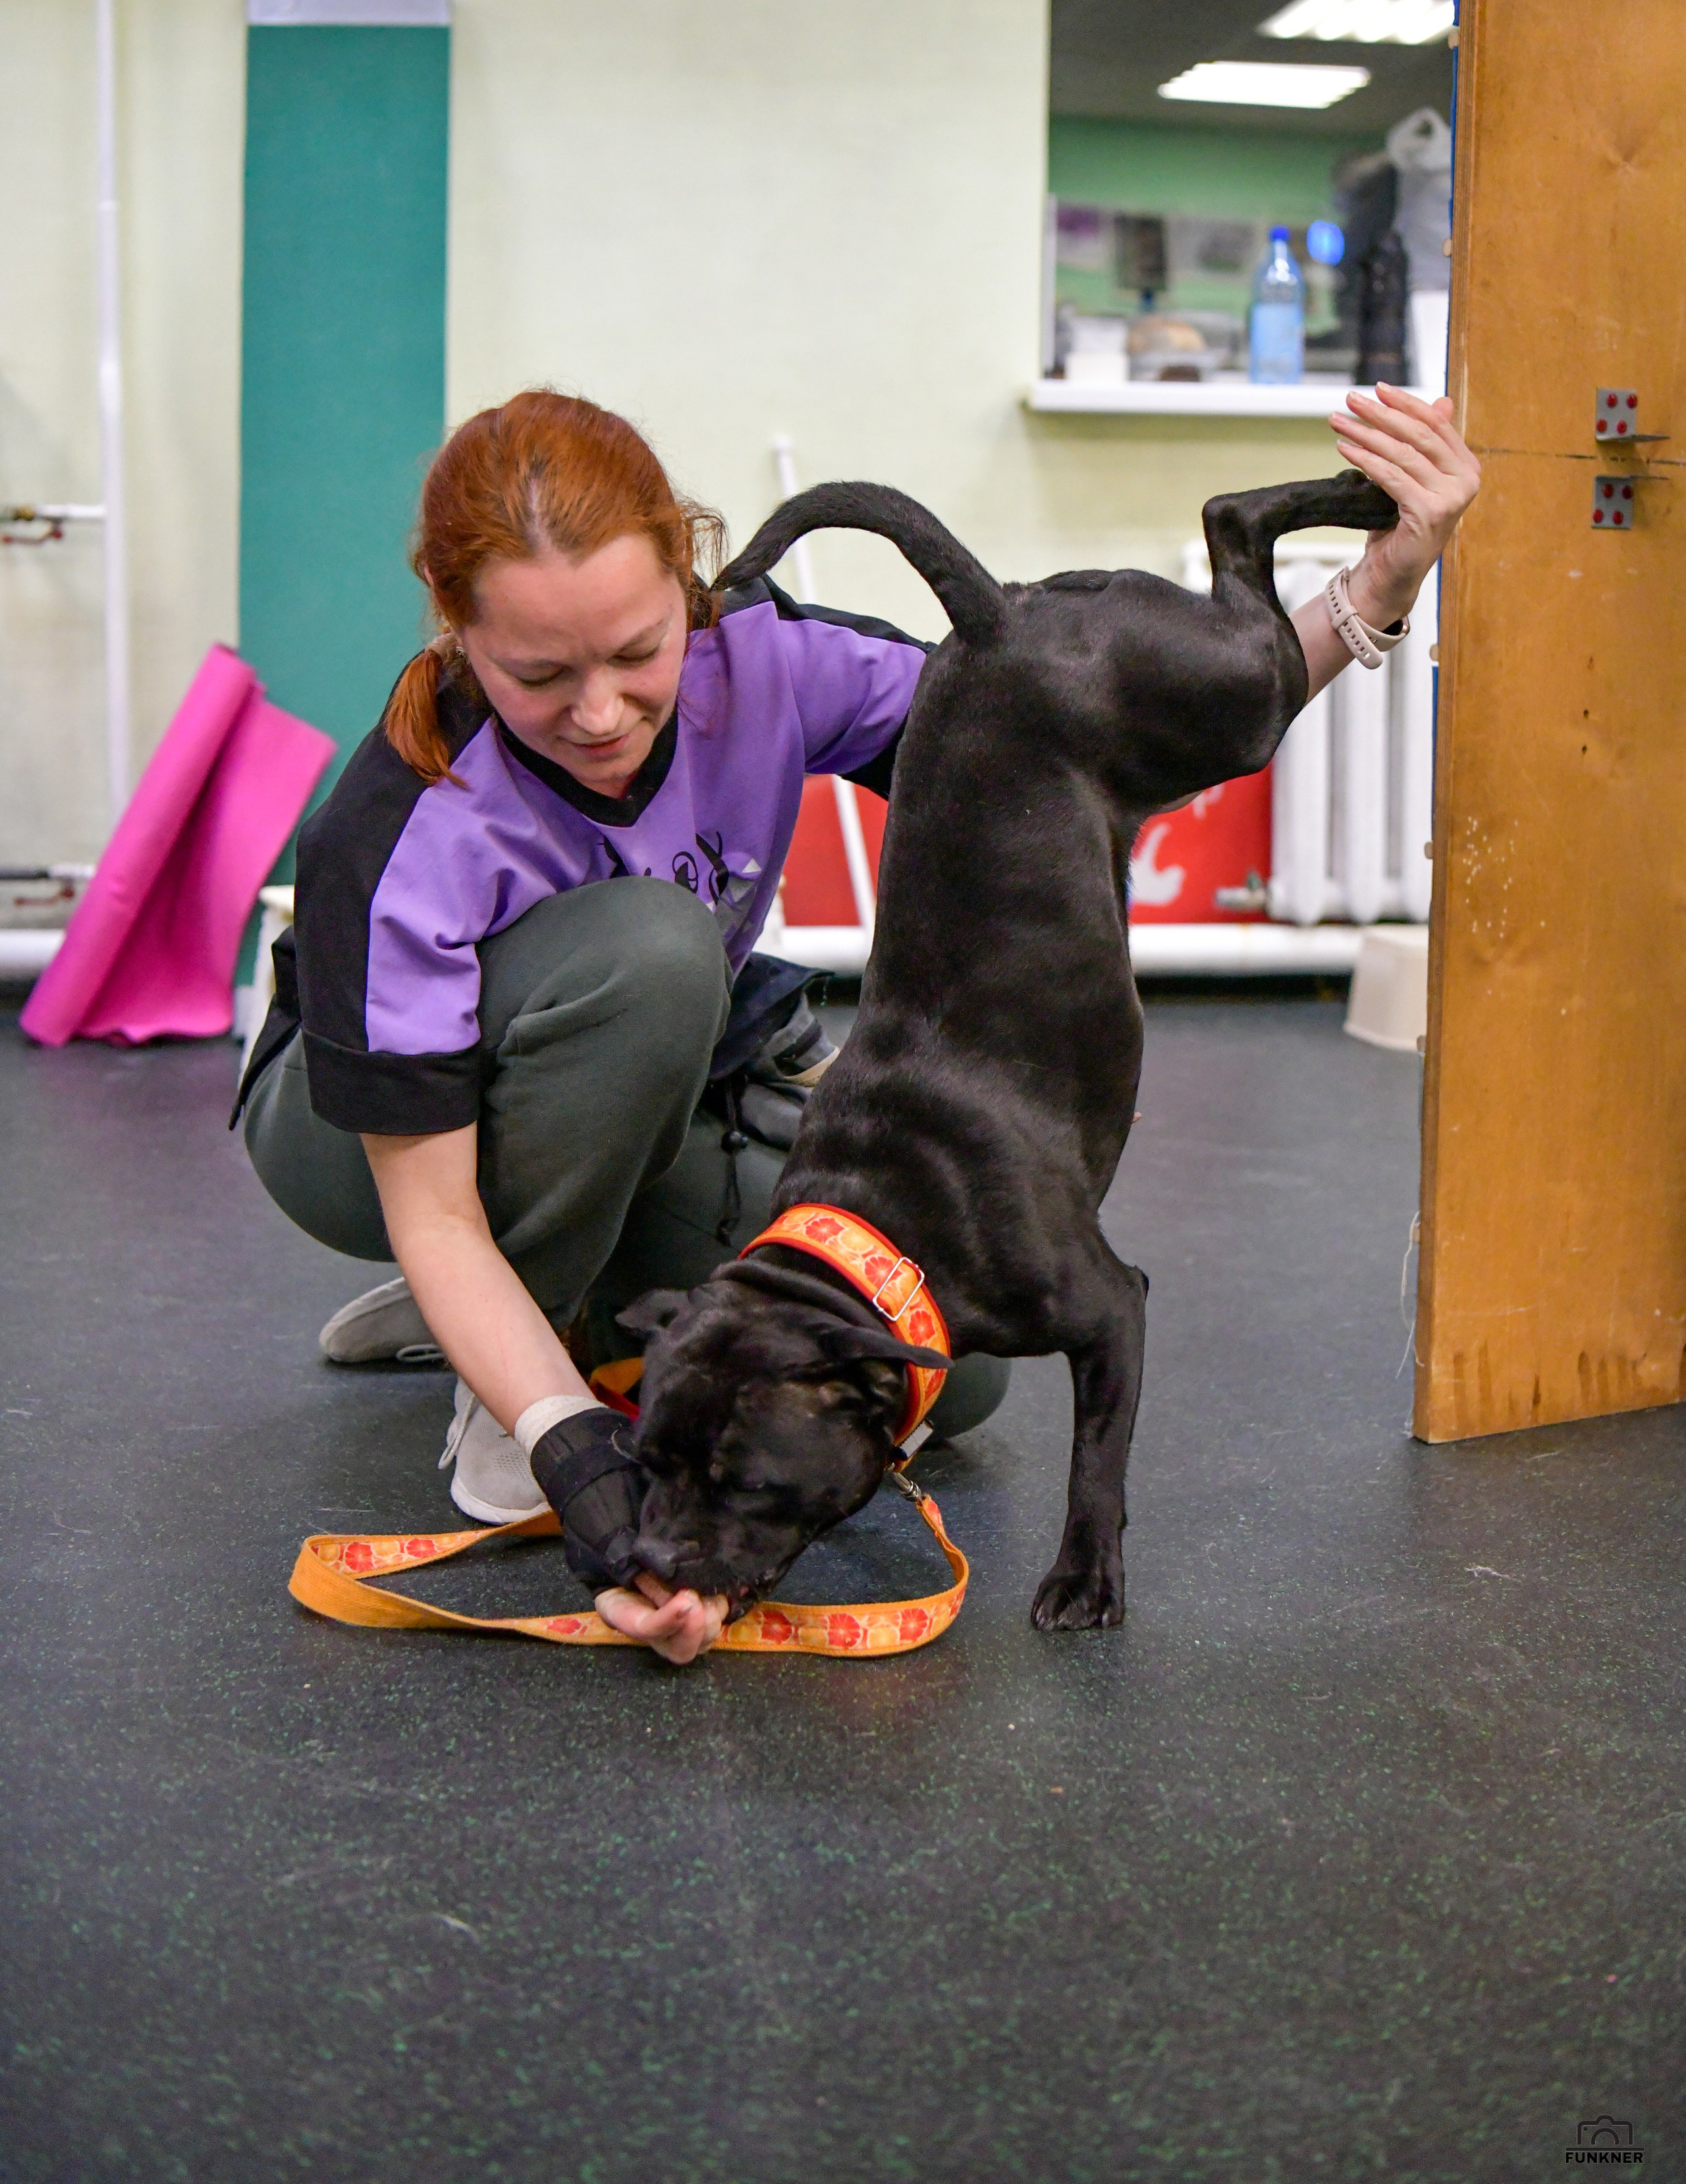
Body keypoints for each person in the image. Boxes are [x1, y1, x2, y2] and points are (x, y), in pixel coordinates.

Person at [239, 381, 1477, 1666]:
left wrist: (1377, 584)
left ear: (690, 583)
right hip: (374, 1148)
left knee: (942, 1363)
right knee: (654, 958)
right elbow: (433, 1202)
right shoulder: (408, 823)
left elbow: (1076, 727)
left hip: (659, 1093)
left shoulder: (769, 661)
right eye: (539, 676)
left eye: (637, 653)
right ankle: (514, 1339)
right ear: (455, 632)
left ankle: (512, 1292)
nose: (599, 714)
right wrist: (561, 1431)